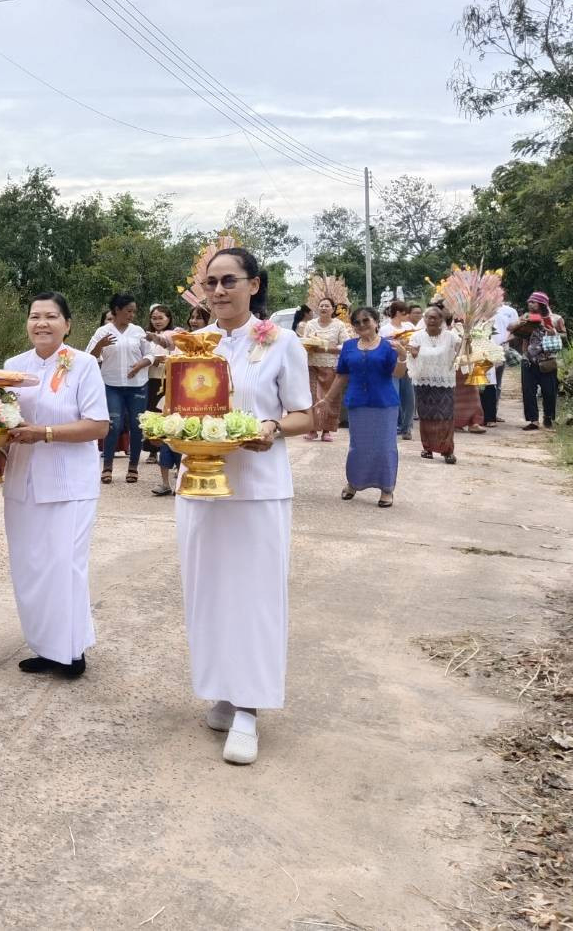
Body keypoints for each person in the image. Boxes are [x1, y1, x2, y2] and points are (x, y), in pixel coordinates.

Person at [175, 248, 313, 765]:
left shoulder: (281, 342)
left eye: (228, 281)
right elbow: (179, 407)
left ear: (254, 285)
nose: (217, 291)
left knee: (254, 595)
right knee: (207, 591)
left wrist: (271, 428)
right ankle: (223, 692)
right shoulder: (196, 344)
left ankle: (250, 708)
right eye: (210, 283)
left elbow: (305, 413)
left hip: (257, 484)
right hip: (201, 481)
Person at [0, 293, 110, 677]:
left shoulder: (82, 366)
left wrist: (44, 433)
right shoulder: (13, 368)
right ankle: (46, 646)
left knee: (64, 566)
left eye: (51, 317)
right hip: (22, 481)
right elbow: (2, 421)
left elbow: (98, 425)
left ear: (67, 324)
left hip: (69, 483)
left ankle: (72, 652)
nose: (41, 323)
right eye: (34, 316)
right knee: (30, 567)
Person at [321, 306, 399, 507]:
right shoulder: (348, 346)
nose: (362, 325)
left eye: (366, 320)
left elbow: (398, 374)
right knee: (358, 448)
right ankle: (354, 483)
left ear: (375, 322)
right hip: (357, 404)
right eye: (357, 322)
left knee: (384, 448)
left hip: (384, 404)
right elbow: (341, 375)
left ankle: (386, 489)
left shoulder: (389, 346)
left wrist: (403, 357)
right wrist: (327, 399)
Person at [87, 294, 154, 484]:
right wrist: (100, 346)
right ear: (117, 310)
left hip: (137, 385)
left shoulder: (138, 331)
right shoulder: (103, 331)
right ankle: (107, 467)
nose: (132, 315)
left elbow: (150, 355)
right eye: (128, 311)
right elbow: (89, 358)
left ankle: (133, 467)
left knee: (136, 425)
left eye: (134, 311)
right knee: (113, 425)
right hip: (111, 385)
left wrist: (140, 365)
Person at [152, 304, 208, 497]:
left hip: (198, 400)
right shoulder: (181, 337)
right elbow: (165, 340)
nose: (194, 321)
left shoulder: (211, 344)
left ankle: (184, 478)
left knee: (189, 436)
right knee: (169, 435)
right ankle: (164, 482)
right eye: (192, 317)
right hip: (174, 395)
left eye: (199, 317)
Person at [407, 305, 462, 464]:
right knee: (426, 416)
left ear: (441, 320)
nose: (431, 320)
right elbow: (412, 356)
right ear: (424, 320)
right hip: (423, 382)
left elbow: (462, 351)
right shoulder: (417, 337)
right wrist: (413, 354)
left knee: (446, 416)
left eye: (435, 317)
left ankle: (447, 451)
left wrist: (468, 340)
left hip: (444, 381)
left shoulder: (451, 336)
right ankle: (428, 448)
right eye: (428, 317)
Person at [514, 291, 565, 430]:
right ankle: (533, 420)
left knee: (549, 392)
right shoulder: (526, 317)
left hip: (548, 361)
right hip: (529, 359)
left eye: (533, 302)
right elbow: (516, 334)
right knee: (528, 391)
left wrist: (554, 333)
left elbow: (565, 335)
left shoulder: (556, 318)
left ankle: (548, 417)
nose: (530, 304)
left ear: (542, 304)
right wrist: (520, 326)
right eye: (529, 302)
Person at [303, 297, 350, 441]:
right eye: (321, 305)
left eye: (327, 306)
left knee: (330, 398)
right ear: (317, 308)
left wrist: (328, 348)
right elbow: (304, 342)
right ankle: (311, 429)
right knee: (311, 397)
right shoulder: (310, 324)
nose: (323, 308)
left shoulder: (339, 325)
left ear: (333, 309)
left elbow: (346, 345)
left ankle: (326, 430)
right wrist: (311, 346)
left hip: (331, 366)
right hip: (312, 365)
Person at [380, 301, 417, 440]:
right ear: (397, 313)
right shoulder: (385, 329)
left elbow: (416, 341)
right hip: (393, 364)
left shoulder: (409, 326)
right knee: (394, 395)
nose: (407, 316)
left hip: (408, 364)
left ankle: (407, 427)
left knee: (409, 397)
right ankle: (394, 425)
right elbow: (383, 346)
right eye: (404, 313)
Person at [486, 299, 519, 425]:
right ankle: (483, 414)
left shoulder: (510, 311)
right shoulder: (480, 309)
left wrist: (505, 341)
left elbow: (515, 331)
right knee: (482, 381)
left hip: (501, 350)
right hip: (482, 350)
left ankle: (493, 413)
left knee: (497, 382)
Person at [144, 303, 175, 412]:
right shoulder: (146, 336)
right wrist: (152, 360)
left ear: (168, 318)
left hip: (169, 380)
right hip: (149, 379)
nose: (157, 321)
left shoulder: (175, 334)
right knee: (150, 409)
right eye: (154, 318)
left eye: (161, 318)